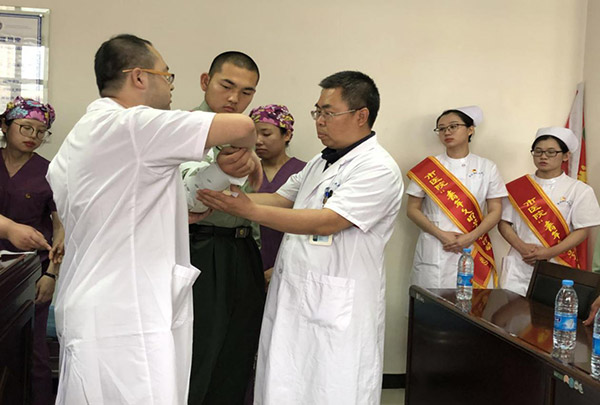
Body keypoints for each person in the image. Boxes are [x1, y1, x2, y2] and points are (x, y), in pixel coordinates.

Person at [46, 34, 259, 405]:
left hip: (96, 301)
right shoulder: (134, 124)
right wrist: (246, 149)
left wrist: (219, 174)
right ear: (139, 76)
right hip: (127, 312)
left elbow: (148, 202)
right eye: (166, 75)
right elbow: (243, 127)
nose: (170, 86)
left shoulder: (84, 134)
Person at [197, 71, 403, 405]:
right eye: (317, 111)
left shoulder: (377, 167)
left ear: (361, 115)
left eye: (328, 112)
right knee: (284, 383)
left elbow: (328, 221)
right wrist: (219, 198)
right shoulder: (321, 161)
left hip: (336, 305)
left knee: (329, 387)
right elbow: (280, 199)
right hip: (296, 294)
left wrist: (247, 209)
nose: (319, 121)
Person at [181, 52, 265, 405]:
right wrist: (224, 169)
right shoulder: (184, 128)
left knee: (236, 356)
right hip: (201, 249)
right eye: (226, 86)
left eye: (246, 92)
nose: (234, 98)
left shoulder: (244, 135)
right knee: (198, 355)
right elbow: (189, 196)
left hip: (242, 251)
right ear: (206, 81)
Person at [0, 96, 63, 405]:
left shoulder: (49, 173)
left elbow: (61, 227)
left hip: (31, 275)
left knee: (35, 353)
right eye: (26, 127)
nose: (33, 136)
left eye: (40, 132)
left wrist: (51, 274)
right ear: (4, 125)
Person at [406, 106, 506, 289]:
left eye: (453, 126)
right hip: (435, 246)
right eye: (442, 128)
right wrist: (441, 235)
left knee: (473, 301)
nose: (447, 132)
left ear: (470, 129)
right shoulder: (428, 168)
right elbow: (412, 209)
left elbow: (495, 210)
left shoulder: (487, 167)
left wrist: (471, 237)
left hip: (473, 245)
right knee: (431, 302)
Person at [498, 127, 600, 296]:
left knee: (551, 309)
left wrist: (550, 252)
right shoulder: (517, 187)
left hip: (558, 263)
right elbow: (503, 223)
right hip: (519, 263)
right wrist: (522, 247)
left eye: (551, 152)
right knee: (512, 309)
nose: (543, 156)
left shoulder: (579, 190)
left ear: (566, 156)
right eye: (538, 151)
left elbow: (582, 230)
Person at [250, 104, 306, 286]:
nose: (258, 141)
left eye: (266, 134)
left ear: (287, 134)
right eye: (253, 135)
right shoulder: (243, 172)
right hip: (248, 262)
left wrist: (280, 267)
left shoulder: (304, 173)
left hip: (292, 266)